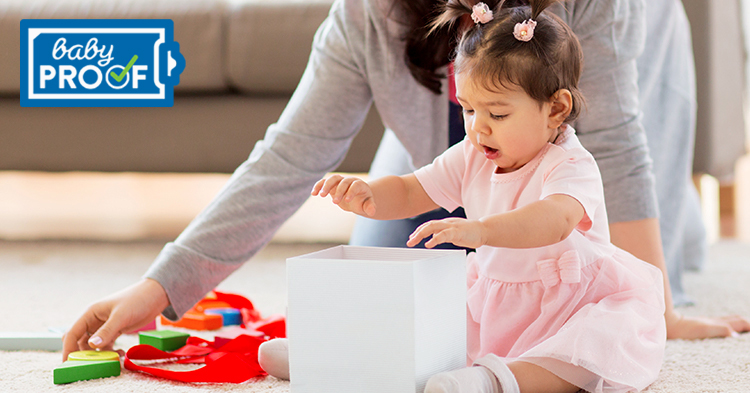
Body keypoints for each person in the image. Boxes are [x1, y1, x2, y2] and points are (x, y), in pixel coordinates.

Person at [62, 0, 749, 362]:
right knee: (395, 269)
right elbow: (288, 159)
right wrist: (161, 285)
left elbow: (621, 151)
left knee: (612, 259)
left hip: (590, 125)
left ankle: (676, 231)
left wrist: (653, 311)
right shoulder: (369, 16)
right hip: (452, 154)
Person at [302, 2, 667, 392]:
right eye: (469, 110)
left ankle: (491, 382)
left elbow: (555, 220)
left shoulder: (571, 164)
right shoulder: (472, 154)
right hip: (495, 300)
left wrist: (481, 231)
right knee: (429, 329)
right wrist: (370, 196)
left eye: (497, 114)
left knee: (582, 355)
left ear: (556, 109)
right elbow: (413, 189)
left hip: (568, 305)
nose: (478, 129)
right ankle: (335, 354)